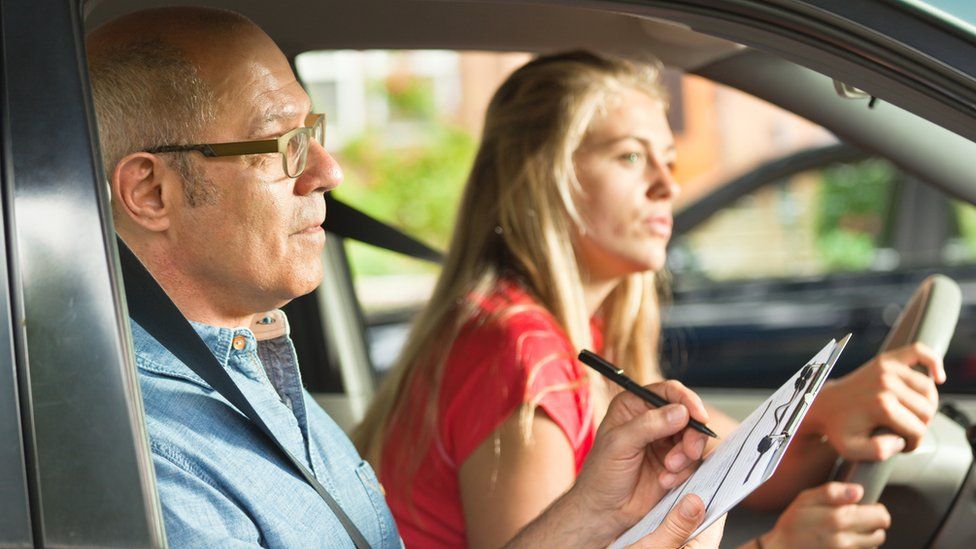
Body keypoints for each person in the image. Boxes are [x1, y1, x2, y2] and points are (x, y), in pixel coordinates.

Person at [87, 7, 724, 548]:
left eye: (313, 132)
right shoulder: (154, 465)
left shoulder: (249, 370)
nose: (328, 171)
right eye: (281, 144)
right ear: (151, 191)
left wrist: (595, 516)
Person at [354, 51, 944, 548]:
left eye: (667, 158)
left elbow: (739, 465)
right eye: (631, 156)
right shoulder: (517, 354)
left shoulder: (582, 337)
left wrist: (831, 409)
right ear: (543, 178)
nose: (669, 184)